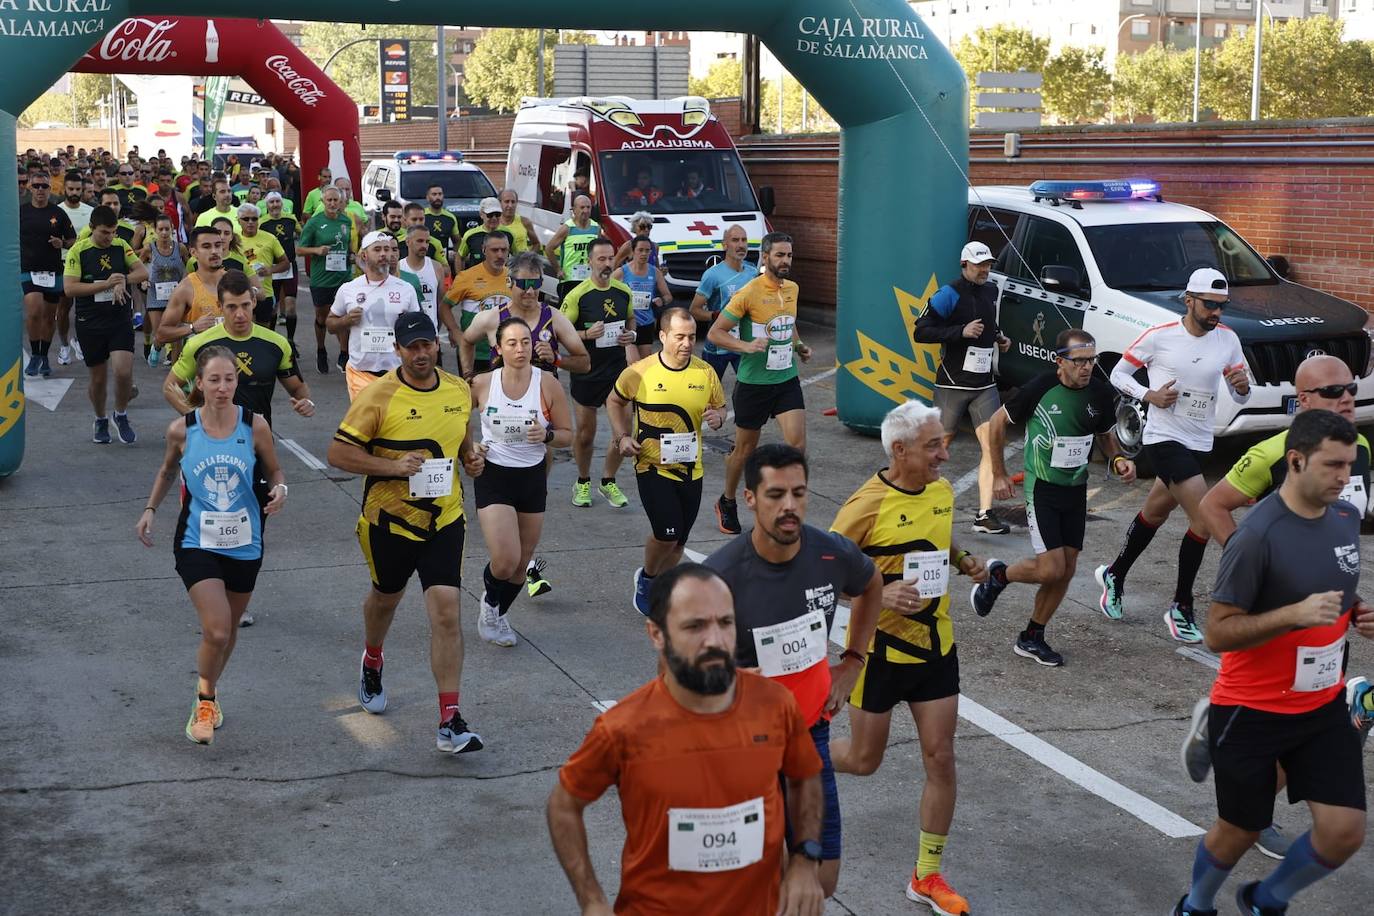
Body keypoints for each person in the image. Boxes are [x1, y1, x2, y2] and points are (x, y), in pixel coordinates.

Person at [1170, 409, 1373, 916]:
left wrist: (1358, 612)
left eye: (1349, 465)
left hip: (1322, 705)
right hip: (1253, 709)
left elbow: (1335, 588)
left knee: (1344, 831)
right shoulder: (1256, 537)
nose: (1344, 478)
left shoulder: (1345, 518)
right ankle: (1196, 904)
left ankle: (1267, 899)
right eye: (1332, 466)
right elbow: (1218, 632)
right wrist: (1293, 615)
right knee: (1239, 830)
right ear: (1296, 460)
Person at [547, 563, 827, 916]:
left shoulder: (775, 703)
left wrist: (804, 860)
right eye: (695, 626)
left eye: (725, 623)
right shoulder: (623, 728)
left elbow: (805, 776)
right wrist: (592, 900)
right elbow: (563, 806)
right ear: (656, 634)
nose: (715, 640)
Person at [828, 399, 989, 916]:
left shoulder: (940, 492)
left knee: (941, 756)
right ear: (899, 450)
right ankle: (792, 751)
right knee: (861, 760)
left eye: (944, 440)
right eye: (934, 444)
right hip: (877, 653)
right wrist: (873, 595)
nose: (946, 453)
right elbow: (821, 576)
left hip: (936, 648)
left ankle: (927, 875)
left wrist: (962, 559)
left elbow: (939, 539)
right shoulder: (864, 505)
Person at [705, 444, 885, 899]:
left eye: (799, 493)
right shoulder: (720, 578)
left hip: (809, 737)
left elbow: (871, 584)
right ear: (750, 499)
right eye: (776, 495)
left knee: (820, 883)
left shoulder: (831, 554)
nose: (789, 506)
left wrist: (854, 660)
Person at [327, 311, 487, 754]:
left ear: (438, 345)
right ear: (397, 349)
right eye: (412, 347)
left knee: (446, 613)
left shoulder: (458, 390)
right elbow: (338, 453)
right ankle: (373, 659)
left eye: (428, 345)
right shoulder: (378, 396)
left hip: (444, 519)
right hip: (389, 522)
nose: (421, 353)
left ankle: (450, 720)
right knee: (385, 598)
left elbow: (463, 444)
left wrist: (473, 461)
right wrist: (392, 467)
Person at [135, 345, 287, 745]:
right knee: (217, 630)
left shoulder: (254, 426)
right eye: (214, 380)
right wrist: (150, 508)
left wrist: (280, 489)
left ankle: (212, 693)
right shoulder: (182, 429)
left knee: (229, 628)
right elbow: (168, 471)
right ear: (198, 384)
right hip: (196, 541)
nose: (222, 388)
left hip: (246, 542)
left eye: (230, 379)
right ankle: (204, 700)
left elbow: (273, 469)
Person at [1095, 267, 1251, 643]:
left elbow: (1242, 390)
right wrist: (1148, 395)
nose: (1216, 313)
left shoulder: (1228, 339)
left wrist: (1242, 387)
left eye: (1221, 306)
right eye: (1209, 305)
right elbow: (1117, 374)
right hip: (1164, 438)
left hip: (1200, 441)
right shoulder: (1159, 337)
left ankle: (1114, 574)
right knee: (1205, 517)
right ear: (1189, 300)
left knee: (1155, 513)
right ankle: (1181, 606)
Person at [970, 330, 1136, 666]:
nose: (1087, 367)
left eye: (1091, 360)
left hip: (1075, 489)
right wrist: (1000, 472)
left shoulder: (1099, 392)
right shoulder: (1040, 387)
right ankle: (999, 576)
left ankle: (1032, 636)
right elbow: (996, 423)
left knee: (1066, 569)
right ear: (1060, 361)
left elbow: (1105, 433)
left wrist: (1118, 458)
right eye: (1079, 361)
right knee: (1050, 568)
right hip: (1042, 487)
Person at [608, 307, 727, 613]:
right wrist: (622, 437)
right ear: (662, 337)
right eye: (679, 337)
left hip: (692, 468)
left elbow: (720, 408)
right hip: (651, 465)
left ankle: (663, 584)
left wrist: (718, 417)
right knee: (666, 532)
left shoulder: (705, 372)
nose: (687, 343)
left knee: (678, 542)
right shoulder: (640, 371)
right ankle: (647, 579)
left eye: (691, 336)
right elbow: (615, 400)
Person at [470, 317, 573, 647]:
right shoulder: (484, 383)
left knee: (521, 565)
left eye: (526, 342)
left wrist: (548, 435)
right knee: (505, 560)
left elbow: (568, 435)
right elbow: (453, 418)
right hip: (494, 474)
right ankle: (489, 602)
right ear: (498, 348)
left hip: (531, 477)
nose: (520, 349)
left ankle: (497, 613)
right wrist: (470, 445)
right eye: (512, 343)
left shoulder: (548, 384)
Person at [706, 231, 812, 535]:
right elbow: (716, 333)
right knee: (744, 452)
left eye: (789, 255)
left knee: (797, 445)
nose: (785, 261)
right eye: (779, 255)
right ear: (765, 258)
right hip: (753, 383)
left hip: (786, 378)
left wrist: (800, 346)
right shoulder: (749, 293)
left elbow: (787, 323)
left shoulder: (792, 288)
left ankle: (785, 504)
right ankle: (727, 501)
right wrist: (746, 347)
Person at [914, 241, 1013, 535]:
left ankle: (985, 514)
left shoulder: (991, 290)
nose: (985, 270)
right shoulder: (949, 294)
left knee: (992, 445)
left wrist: (999, 338)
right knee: (938, 446)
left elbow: (989, 324)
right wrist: (960, 332)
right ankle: (915, 503)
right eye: (979, 265)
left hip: (984, 383)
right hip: (952, 383)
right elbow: (921, 330)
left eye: (988, 264)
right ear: (964, 265)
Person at [162, 269, 314, 428]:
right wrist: (195, 421)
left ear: (254, 302)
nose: (240, 314)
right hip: (214, 441)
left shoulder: (277, 344)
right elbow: (170, 387)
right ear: (219, 306)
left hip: (258, 439)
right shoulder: (199, 344)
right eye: (232, 307)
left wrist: (306, 402)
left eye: (245, 305)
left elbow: (297, 388)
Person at [559, 236, 636, 510]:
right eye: (601, 259)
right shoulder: (577, 295)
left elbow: (630, 319)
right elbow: (560, 333)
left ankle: (608, 481)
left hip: (616, 371)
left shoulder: (623, 291)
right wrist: (584, 334)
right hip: (587, 371)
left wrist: (631, 334)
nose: (606, 264)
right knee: (586, 435)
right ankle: (582, 481)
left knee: (623, 430)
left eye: (610, 258)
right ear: (589, 261)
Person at [63, 205, 148, 444]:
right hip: (89, 321)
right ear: (91, 228)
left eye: (112, 232)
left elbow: (142, 273)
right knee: (98, 379)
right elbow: (70, 288)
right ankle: (100, 419)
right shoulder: (78, 251)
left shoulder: (121, 245)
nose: (109, 237)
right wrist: (107, 284)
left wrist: (123, 280)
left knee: (123, 372)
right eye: (104, 232)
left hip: (119, 319)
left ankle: (120, 414)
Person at [326, 231, 420, 400]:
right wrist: (346, 320)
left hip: (397, 371)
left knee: (394, 424)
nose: (384, 254)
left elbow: (417, 329)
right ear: (364, 255)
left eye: (387, 249)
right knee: (366, 424)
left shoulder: (405, 288)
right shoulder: (349, 288)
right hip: (360, 371)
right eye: (377, 250)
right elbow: (330, 324)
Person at [20, 169, 75, 377]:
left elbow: (72, 239)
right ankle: (35, 355)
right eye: (36, 186)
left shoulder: (58, 213)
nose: (40, 190)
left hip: (53, 271)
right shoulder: (21, 212)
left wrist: (62, 243)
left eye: (44, 186)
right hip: (28, 270)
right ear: (29, 187)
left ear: (50, 189)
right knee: (34, 312)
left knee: (49, 317)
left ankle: (44, 356)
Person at [298, 186, 358, 373]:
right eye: (329, 200)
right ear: (323, 202)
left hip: (344, 277)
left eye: (336, 200)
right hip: (322, 278)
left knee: (342, 316)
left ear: (341, 202)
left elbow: (347, 245)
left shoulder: (346, 221)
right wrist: (316, 250)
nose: (332, 204)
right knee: (322, 317)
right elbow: (299, 249)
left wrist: (351, 256)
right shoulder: (315, 223)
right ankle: (321, 349)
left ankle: (344, 353)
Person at [689, 224, 756, 383]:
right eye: (735, 240)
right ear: (725, 245)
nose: (741, 245)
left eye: (744, 240)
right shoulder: (712, 275)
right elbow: (694, 310)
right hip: (717, 346)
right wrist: (717, 315)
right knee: (709, 393)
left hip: (743, 342)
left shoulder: (752, 271)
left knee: (750, 388)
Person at [445, 232, 512, 376]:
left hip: (505, 353)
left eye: (504, 250)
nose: (500, 255)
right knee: (473, 396)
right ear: (483, 250)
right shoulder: (467, 277)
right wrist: (454, 331)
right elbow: (444, 306)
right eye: (495, 250)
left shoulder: (514, 277)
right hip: (474, 352)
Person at [157, 227, 227, 351]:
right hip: (199, 363)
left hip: (232, 363)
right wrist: (192, 328)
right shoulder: (185, 289)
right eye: (206, 247)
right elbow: (162, 334)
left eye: (218, 245)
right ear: (194, 252)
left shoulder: (234, 281)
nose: (214, 251)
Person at [612, 234, 671, 363]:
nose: (644, 254)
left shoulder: (654, 272)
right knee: (634, 364)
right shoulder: (622, 272)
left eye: (647, 251)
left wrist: (662, 300)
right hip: (628, 323)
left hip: (646, 324)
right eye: (640, 250)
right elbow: (605, 291)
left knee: (645, 365)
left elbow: (668, 296)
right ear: (633, 251)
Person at [139, 213, 187, 367]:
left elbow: (189, 266)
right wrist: (143, 281)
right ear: (155, 230)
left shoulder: (180, 248)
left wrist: (186, 282)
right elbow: (138, 268)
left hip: (176, 296)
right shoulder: (149, 249)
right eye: (161, 229)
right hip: (155, 295)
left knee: (177, 335)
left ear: (173, 229)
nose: (165, 232)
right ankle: (157, 346)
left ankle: (176, 367)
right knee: (161, 333)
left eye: (167, 229)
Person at [261, 191, 301, 356]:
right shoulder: (262, 222)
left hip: (289, 267)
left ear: (282, 203)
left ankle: (290, 341)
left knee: (291, 306)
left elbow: (300, 233)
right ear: (267, 205)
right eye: (272, 202)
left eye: (278, 202)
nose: (275, 205)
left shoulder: (290, 219)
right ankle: (271, 343)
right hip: (272, 268)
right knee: (273, 307)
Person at [237, 203, 289, 329]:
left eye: (254, 219)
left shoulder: (269, 238)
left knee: (263, 333)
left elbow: (285, 263)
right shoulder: (234, 239)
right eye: (246, 219)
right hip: (241, 293)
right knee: (245, 330)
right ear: (239, 221)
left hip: (264, 293)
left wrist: (270, 270)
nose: (250, 222)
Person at [544, 194, 600, 294]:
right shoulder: (567, 228)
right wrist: (558, 270)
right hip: (569, 280)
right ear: (574, 210)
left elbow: (599, 253)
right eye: (582, 207)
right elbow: (549, 249)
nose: (586, 211)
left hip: (589, 280)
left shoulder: (596, 228)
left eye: (588, 207)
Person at [398, 224, 450, 333]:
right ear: (407, 242)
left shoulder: (436, 267)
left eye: (427, 242)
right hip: (405, 332)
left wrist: (440, 329)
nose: (424, 246)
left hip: (430, 331)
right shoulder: (398, 268)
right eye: (420, 241)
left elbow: (441, 303)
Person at [457, 197, 513, 271]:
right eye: (490, 215)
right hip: (476, 280)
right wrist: (460, 278)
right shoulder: (470, 235)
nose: (494, 218)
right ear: (481, 214)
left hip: (500, 280)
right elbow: (460, 257)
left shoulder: (508, 234)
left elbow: (520, 257)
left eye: (497, 214)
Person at [422, 183, 459, 266]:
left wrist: (456, 257)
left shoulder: (450, 217)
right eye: (434, 194)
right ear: (427, 198)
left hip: (443, 262)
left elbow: (457, 241)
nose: (437, 197)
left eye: (440, 194)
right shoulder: (422, 216)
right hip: (424, 260)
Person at [496, 187, 538, 254]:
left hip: (520, 263)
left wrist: (528, 258)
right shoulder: (494, 223)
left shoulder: (524, 221)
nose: (510, 205)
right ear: (499, 203)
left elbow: (536, 244)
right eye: (507, 201)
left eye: (513, 202)